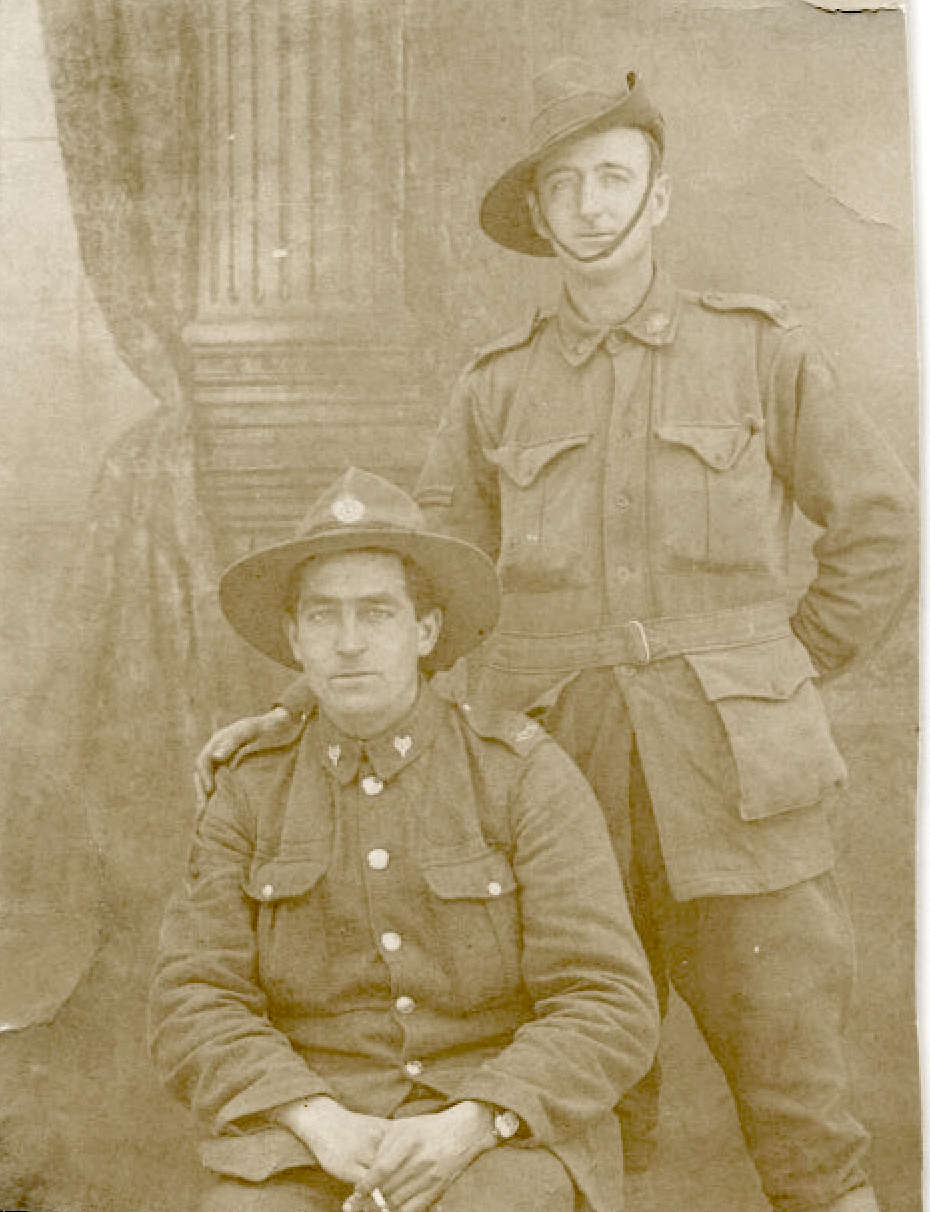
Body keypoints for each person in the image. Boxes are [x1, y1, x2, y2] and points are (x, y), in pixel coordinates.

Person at [194, 60, 918, 1212]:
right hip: (559, 782)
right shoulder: (495, 391)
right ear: (536, 214)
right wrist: (295, 710)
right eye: (564, 185)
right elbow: (412, 589)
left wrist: (773, 676)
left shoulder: (760, 352)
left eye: (613, 178)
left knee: (801, 1102)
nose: (589, 204)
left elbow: (883, 527)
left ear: (660, 196)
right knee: (584, 1107)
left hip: (743, 792)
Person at [151, 466, 660, 1212]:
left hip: (496, 1133)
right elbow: (194, 998)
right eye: (323, 617)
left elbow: (606, 997)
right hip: (310, 1138)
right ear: (293, 637)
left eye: (378, 613)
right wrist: (316, 1119)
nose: (349, 642)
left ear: (425, 631)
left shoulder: (522, 775)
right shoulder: (251, 789)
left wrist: (475, 1120)